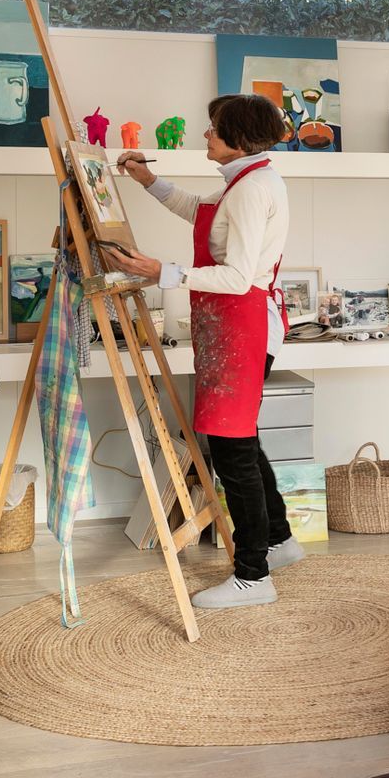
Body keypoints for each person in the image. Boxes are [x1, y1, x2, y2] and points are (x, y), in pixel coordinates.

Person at [112, 94, 300, 609]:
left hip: (242, 326)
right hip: (241, 327)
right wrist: (150, 182)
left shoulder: (249, 189)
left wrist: (161, 273)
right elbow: (199, 210)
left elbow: (237, 277)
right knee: (239, 441)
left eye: (214, 129)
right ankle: (279, 541)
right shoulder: (249, 179)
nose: (205, 136)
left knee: (232, 450)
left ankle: (253, 577)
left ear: (237, 138)